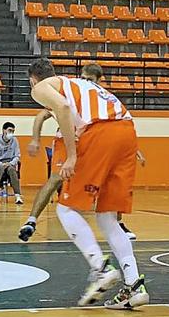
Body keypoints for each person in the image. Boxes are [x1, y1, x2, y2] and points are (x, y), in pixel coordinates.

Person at [27, 58, 149, 309]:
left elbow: (60, 107)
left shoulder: (41, 88)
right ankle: (134, 285)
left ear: (33, 79)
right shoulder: (79, 84)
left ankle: (101, 268)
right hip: (127, 131)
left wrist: (72, 155)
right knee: (107, 217)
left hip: (100, 132)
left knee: (66, 208)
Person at [20, 63, 144, 242]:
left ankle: (117, 223)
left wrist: (133, 148)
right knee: (56, 178)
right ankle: (31, 220)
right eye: (83, 77)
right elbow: (41, 116)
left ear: (99, 81)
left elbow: (113, 122)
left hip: (93, 136)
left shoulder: (97, 95)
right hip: (67, 138)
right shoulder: (62, 89)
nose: (85, 81)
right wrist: (35, 139)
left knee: (108, 181)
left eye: (89, 79)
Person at [0, 122, 23, 205]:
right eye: (9, 130)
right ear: (3, 130)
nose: (11, 133)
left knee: (12, 170)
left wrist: (10, 163)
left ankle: (18, 196)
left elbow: (17, 156)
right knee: (0, 168)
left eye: (13, 131)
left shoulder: (15, 140)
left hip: (9, 163)